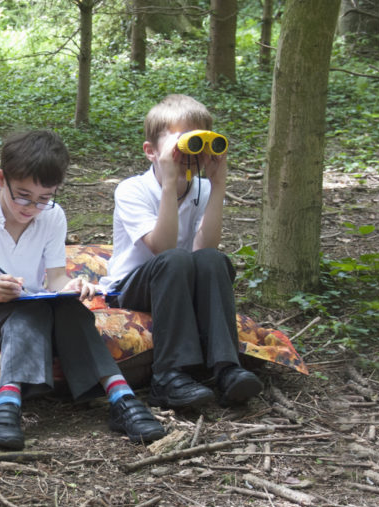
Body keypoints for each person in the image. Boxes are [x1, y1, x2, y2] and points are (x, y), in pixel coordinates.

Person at [0, 129, 165, 450]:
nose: (31, 206)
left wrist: (72, 286)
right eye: (22, 195)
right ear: (1, 178)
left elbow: (56, 279)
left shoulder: (53, 216)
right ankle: (6, 405)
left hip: (32, 302)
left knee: (69, 308)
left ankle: (121, 397)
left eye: (44, 198)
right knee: (28, 312)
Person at [100, 94, 263, 409]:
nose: (193, 153)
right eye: (183, 143)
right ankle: (169, 375)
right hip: (133, 286)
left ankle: (226, 368)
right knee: (175, 258)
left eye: (201, 143)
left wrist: (218, 185)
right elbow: (163, 248)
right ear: (151, 152)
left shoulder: (201, 188)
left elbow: (206, 250)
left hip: (182, 282)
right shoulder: (132, 189)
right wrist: (170, 184)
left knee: (213, 259)